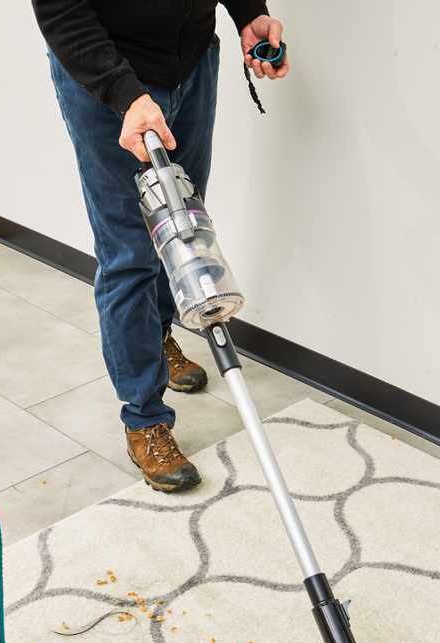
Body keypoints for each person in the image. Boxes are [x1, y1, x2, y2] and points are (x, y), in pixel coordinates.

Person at [34, 1, 290, 492]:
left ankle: (158, 337)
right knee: (130, 252)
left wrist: (249, 14)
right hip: (108, 78)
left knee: (180, 231)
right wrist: (125, 94)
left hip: (191, 63)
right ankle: (145, 419)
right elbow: (61, 10)